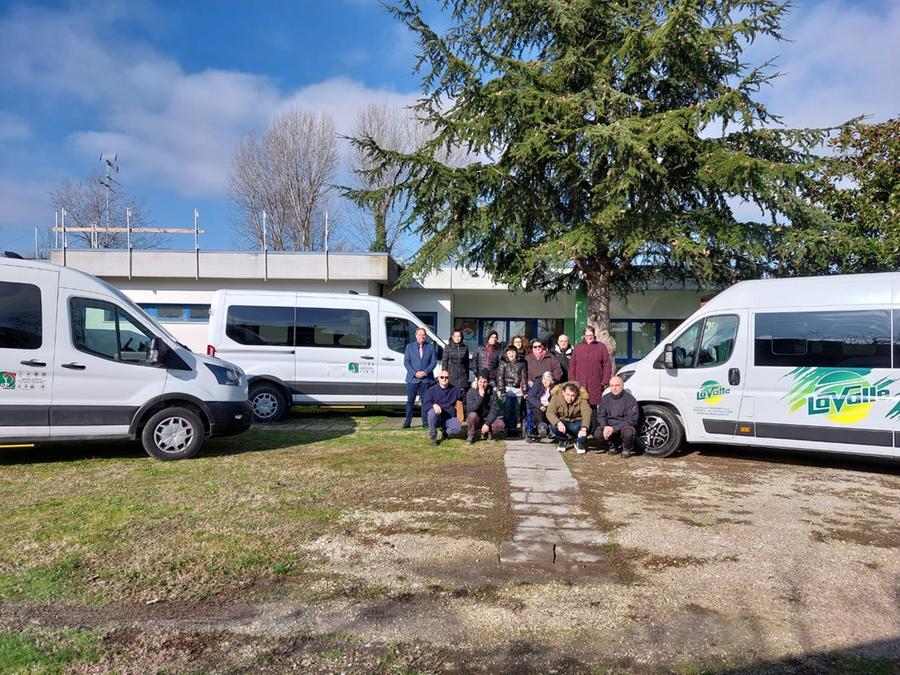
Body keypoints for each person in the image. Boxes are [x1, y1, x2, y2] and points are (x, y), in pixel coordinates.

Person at [568, 325, 612, 410]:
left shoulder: (601, 347)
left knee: (593, 407)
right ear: (584, 336)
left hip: (595, 383)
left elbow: (607, 365)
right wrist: (572, 381)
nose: (589, 337)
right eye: (587, 335)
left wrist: (604, 381)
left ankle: (593, 423)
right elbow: (572, 365)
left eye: (591, 335)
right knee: (579, 406)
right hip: (579, 383)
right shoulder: (578, 347)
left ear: (594, 335)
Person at [596, 375, 640, 457]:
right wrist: (604, 426)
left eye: (617, 385)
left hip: (623, 426)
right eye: (612, 386)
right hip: (609, 426)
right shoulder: (605, 398)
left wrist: (614, 428)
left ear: (622, 385)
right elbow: (601, 415)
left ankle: (627, 448)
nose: (614, 388)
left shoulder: (630, 399)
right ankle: (612, 446)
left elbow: (632, 419)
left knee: (628, 433)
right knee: (598, 434)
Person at [403, 327, 437, 428]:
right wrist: (415, 373)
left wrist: (425, 372)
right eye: (420, 335)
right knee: (410, 401)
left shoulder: (430, 347)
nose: (421, 337)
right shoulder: (409, 347)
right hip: (412, 379)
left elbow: (433, 362)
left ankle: (425, 422)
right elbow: (406, 362)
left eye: (423, 335)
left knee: (425, 401)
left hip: (426, 379)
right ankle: (407, 422)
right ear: (416, 335)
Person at [546, 381, 592, 453]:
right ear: (563, 392)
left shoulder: (582, 397)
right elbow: (549, 412)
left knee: (588, 425)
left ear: (576, 394)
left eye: (572, 395)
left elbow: (586, 412)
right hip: (562, 421)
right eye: (567, 395)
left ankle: (579, 442)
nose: (569, 398)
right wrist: (558, 423)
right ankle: (563, 440)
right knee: (553, 426)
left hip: (576, 422)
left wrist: (584, 428)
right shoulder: (556, 396)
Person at [422, 370, 462, 445]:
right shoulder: (431, 390)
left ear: (449, 378)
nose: (444, 379)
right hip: (437, 417)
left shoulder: (455, 390)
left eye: (446, 377)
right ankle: (433, 437)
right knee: (431, 413)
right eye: (442, 377)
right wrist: (433, 405)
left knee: (457, 429)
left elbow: (465, 397)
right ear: (438, 378)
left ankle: (445, 431)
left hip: (449, 417)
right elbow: (425, 404)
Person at [465, 369, 505, 444]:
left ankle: (488, 432)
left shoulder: (492, 392)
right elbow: (471, 409)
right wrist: (480, 397)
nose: (482, 384)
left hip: (487, 418)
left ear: (488, 382)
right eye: (480, 381)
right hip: (476, 419)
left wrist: (487, 423)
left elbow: (494, 410)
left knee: (500, 424)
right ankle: (471, 435)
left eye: (484, 382)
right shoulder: (471, 391)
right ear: (477, 381)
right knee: (472, 415)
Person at [496, 343, 527, 437]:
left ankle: (513, 428)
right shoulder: (503, 362)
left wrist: (525, 390)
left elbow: (524, 377)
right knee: (507, 408)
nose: (511, 354)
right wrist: (501, 389)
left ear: (516, 353)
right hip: (507, 389)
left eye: (513, 352)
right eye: (509, 353)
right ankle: (508, 427)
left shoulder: (522, 363)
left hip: (518, 390)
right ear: (506, 354)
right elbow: (500, 376)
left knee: (516, 409)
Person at [442, 329, 470, 422]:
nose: (457, 338)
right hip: (451, 376)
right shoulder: (447, 347)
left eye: (459, 336)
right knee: (451, 398)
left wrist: (467, 377)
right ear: (452, 337)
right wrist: (444, 375)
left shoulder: (465, 348)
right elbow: (444, 362)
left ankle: (462, 419)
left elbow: (466, 363)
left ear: (461, 337)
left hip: (462, 377)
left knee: (462, 399)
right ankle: (450, 418)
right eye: (455, 336)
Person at [525, 370, 556, 438]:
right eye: (544, 379)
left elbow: (555, 400)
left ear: (552, 381)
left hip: (549, 406)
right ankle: (542, 428)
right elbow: (531, 396)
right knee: (538, 412)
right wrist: (540, 405)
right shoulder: (537, 384)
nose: (545, 381)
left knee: (551, 412)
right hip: (537, 404)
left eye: (548, 380)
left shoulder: (554, 388)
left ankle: (551, 430)